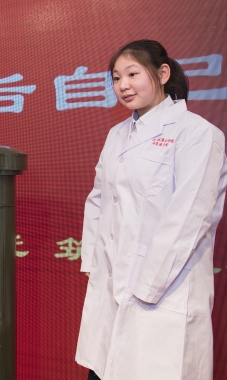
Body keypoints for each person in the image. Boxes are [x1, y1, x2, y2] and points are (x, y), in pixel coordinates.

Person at [75, 40, 227, 380]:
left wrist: (146, 286)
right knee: (104, 368)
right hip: (113, 284)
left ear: (162, 73)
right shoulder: (117, 135)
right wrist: (94, 263)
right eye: (116, 78)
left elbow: (190, 216)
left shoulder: (198, 134)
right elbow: (99, 199)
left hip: (165, 290)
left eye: (132, 74)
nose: (123, 85)